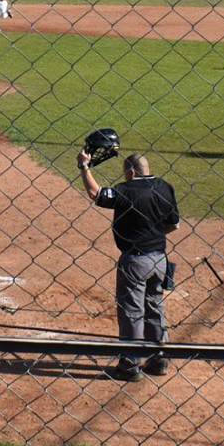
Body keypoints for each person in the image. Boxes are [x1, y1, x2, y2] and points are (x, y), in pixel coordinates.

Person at [76, 148, 180, 381]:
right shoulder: (165, 187)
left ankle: (130, 364)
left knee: (132, 311)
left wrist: (84, 166)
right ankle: (158, 358)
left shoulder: (127, 190)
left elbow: (96, 193)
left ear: (131, 173)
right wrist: (153, 235)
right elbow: (174, 224)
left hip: (135, 261)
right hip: (160, 259)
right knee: (155, 305)